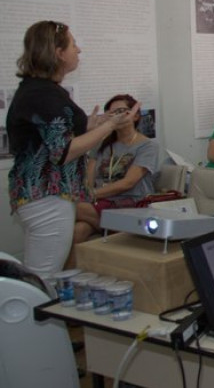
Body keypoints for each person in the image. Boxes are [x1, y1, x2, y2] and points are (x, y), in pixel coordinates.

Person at [7, 21, 137, 274]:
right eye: (73, 44)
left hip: (41, 196)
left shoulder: (41, 90)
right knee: (45, 275)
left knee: (42, 271)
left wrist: (94, 123)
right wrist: (109, 126)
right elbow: (63, 152)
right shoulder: (44, 95)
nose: (79, 50)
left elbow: (51, 135)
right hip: (48, 197)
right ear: (58, 53)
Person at [73, 94, 160, 245]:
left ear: (135, 115)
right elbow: (88, 179)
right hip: (101, 201)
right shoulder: (102, 143)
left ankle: (119, 228)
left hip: (131, 201)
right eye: (112, 113)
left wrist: (90, 195)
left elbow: (128, 183)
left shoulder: (147, 146)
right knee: (77, 231)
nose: (117, 116)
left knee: (73, 207)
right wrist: (86, 193)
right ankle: (117, 229)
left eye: (121, 111)